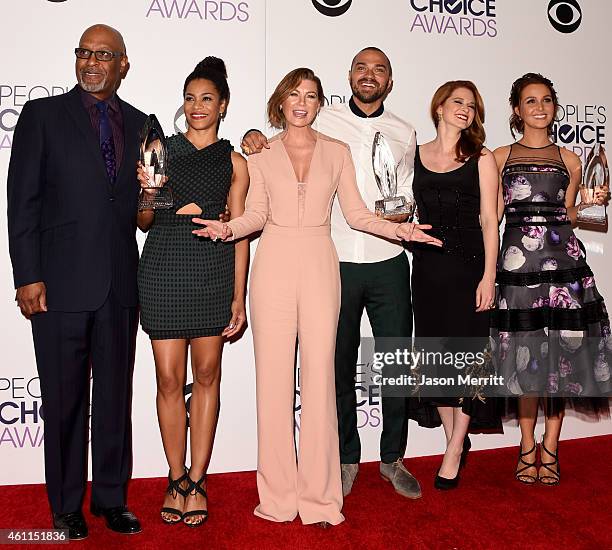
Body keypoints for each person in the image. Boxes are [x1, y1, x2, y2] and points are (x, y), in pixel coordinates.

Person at [193, 68, 441, 527]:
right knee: (273, 384)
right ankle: (279, 497)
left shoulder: (337, 151)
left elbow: (357, 214)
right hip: (274, 268)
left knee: (322, 381)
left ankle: (321, 496)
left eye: (311, 95)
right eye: (294, 94)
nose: (302, 102)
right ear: (281, 102)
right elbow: (257, 215)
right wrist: (227, 229)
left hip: (321, 266)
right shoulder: (263, 153)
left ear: (320, 102)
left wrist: (399, 230)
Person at [241, 47, 422, 500]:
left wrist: (408, 227)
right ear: (349, 76)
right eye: (361, 67)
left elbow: (403, 192)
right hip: (335, 261)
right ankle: (343, 459)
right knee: (334, 369)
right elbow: (280, 138)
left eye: (379, 69)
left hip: (387, 256)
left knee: (397, 362)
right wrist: (250, 137)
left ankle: (393, 458)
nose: (369, 75)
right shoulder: (324, 121)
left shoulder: (405, 131)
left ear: (390, 81)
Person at [7, 24, 145, 539]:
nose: (92, 62)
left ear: (123, 64)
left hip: (119, 283)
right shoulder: (42, 116)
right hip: (58, 285)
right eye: (84, 53)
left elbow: (142, 204)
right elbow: (23, 201)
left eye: (103, 55)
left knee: (114, 398)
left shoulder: (140, 123)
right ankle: (65, 505)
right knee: (65, 399)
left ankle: (111, 499)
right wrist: (28, 275)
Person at [137, 57, 249, 527]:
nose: (197, 107)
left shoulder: (235, 161)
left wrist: (239, 297)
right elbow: (144, 221)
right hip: (163, 269)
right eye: (190, 98)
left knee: (206, 376)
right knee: (167, 380)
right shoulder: (159, 149)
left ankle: (198, 480)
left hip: (212, 273)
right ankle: (175, 476)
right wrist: (147, 195)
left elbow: (240, 229)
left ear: (222, 105)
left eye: (206, 99)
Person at [491, 73, 611, 485]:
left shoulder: (571, 159)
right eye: (530, 101)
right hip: (518, 269)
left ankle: (551, 445)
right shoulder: (499, 157)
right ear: (516, 110)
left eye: (546, 100)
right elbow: (492, 219)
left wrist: (591, 202)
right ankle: (526, 446)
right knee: (528, 359)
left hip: (565, 266)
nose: (539, 108)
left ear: (554, 107)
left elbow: (571, 214)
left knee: (560, 359)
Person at [409, 81, 501, 490]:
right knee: (438, 362)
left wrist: (489, 276)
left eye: (472, 105)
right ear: (439, 106)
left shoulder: (481, 159)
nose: (465, 109)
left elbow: (488, 220)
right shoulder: (413, 156)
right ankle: (453, 441)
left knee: (469, 360)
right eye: (457, 102)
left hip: (470, 270)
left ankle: (452, 450)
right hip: (427, 270)